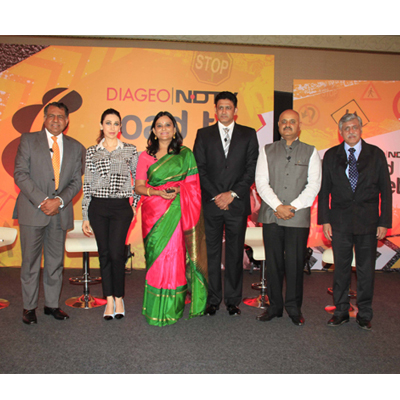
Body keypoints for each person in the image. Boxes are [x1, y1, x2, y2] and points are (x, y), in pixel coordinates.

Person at [318, 112, 392, 330]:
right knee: (340, 269)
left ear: (360, 129)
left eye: (354, 127)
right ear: (340, 132)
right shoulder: (331, 155)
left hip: (368, 222)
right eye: (346, 128)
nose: (351, 131)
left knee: (365, 270)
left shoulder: (375, 154)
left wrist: (384, 222)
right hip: (339, 221)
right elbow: (324, 191)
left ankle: (364, 313)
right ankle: (340, 311)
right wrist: (325, 220)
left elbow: (386, 191)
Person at [14, 102, 85, 324]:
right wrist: (43, 201)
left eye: (61, 116)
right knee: (30, 263)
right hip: (32, 210)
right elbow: (20, 174)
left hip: (59, 212)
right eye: (51, 115)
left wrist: (59, 201)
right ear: (44, 118)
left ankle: (52, 305)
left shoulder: (76, 147)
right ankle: (29, 307)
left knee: (55, 263)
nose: (56, 120)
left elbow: (76, 182)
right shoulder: (28, 140)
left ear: (67, 121)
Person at [135, 111, 208, 327]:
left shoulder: (185, 154)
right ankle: (155, 307)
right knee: (156, 258)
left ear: (174, 129)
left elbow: (193, 185)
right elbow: (139, 187)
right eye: (159, 125)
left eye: (168, 125)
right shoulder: (145, 156)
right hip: (153, 213)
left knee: (175, 256)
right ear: (154, 131)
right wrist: (157, 192)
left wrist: (177, 190)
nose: (164, 129)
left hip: (177, 210)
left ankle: (172, 307)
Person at [193, 91, 259, 316]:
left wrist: (232, 194)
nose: (224, 111)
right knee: (211, 254)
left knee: (234, 254)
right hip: (212, 205)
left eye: (228, 107)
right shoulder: (203, 134)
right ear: (215, 110)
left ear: (235, 110)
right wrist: (217, 196)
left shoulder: (248, 134)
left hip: (236, 204)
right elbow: (199, 169)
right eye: (220, 107)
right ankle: (213, 300)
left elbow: (252, 169)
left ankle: (232, 300)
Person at [255, 109, 321, 326]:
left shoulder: (311, 151)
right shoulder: (267, 150)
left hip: (297, 217)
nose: (287, 125)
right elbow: (261, 182)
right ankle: (274, 307)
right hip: (272, 215)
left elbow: (314, 185)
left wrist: (292, 207)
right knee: (273, 264)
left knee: (294, 264)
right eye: (283, 121)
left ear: (299, 126)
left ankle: (293, 308)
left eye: (292, 121)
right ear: (278, 126)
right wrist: (278, 206)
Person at [82, 109, 140, 321]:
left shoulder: (130, 150)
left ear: (120, 127)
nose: (112, 127)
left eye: (116, 124)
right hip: (98, 207)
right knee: (104, 253)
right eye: (108, 123)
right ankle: (108, 299)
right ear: (101, 125)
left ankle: (119, 298)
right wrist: (85, 215)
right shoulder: (92, 152)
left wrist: (134, 205)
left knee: (117, 253)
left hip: (120, 208)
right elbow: (87, 184)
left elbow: (138, 180)